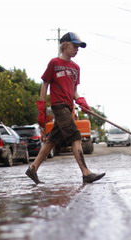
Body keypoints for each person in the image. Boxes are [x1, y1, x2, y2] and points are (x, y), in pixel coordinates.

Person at [25, 32, 105, 185]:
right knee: (75, 136)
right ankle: (86, 173)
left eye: (78, 47)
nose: (77, 49)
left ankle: (33, 168)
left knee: (52, 141)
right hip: (59, 106)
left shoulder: (76, 67)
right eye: (74, 46)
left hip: (69, 107)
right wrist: (41, 107)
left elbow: (74, 91)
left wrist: (81, 101)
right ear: (64, 45)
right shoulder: (54, 63)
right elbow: (45, 84)